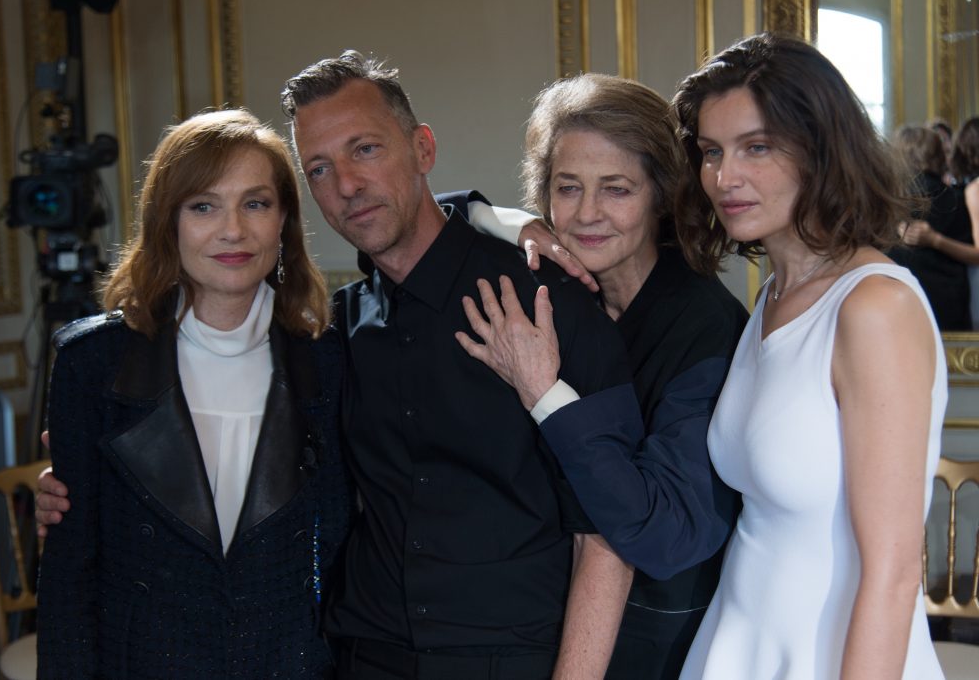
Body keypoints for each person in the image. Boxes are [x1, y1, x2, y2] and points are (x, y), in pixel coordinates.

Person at [278, 50, 648, 680]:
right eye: (319, 168)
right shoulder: (335, 329)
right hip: (364, 654)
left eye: (365, 149)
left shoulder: (546, 299)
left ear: (422, 149)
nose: (346, 185)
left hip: (510, 658)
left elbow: (608, 534)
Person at [447, 72, 747, 679]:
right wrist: (508, 223)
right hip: (540, 624)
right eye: (567, 188)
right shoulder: (560, 294)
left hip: (657, 644)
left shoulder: (706, 326)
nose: (587, 214)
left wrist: (544, 393)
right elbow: (423, 214)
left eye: (616, 189)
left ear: (661, 195)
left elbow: (665, 533)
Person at [35, 109, 351, 679]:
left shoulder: (328, 359)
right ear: (168, 221)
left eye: (256, 203)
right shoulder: (93, 364)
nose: (233, 230)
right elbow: (68, 580)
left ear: (283, 220)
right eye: (203, 206)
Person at [668, 33, 946, 678]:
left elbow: (894, 572)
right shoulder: (771, 297)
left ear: (821, 150)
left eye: (757, 147)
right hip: (738, 645)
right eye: (712, 151)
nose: (724, 178)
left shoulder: (874, 307)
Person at [888, 124, 972, 330]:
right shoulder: (955, 198)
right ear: (938, 155)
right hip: (948, 303)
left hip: (897, 298)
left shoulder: (886, 200)